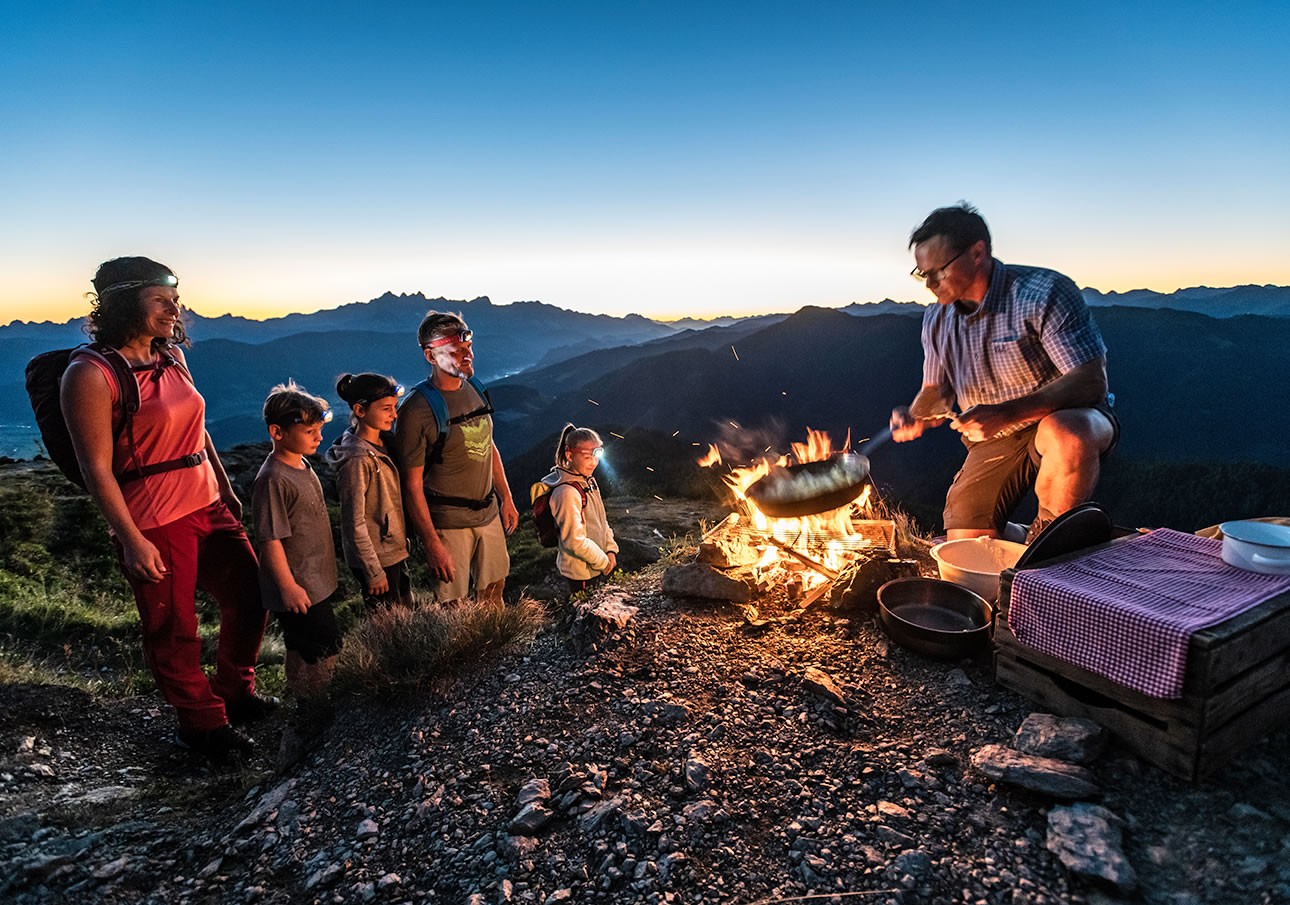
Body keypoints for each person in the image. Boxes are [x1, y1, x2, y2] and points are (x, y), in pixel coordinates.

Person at [61, 257, 271, 761]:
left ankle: (234, 692)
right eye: (162, 300)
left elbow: (198, 426)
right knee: (173, 627)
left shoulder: (171, 355)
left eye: (174, 300)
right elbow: (96, 468)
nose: (175, 309)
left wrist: (223, 483)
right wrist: (131, 539)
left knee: (251, 594)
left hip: (206, 502)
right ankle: (200, 727)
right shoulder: (90, 374)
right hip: (154, 518)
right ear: (124, 303)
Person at [889, 204, 1119, 542]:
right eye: (922, 274)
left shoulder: (1043, 292)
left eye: (937, 271)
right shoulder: (937, 319)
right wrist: (916, 415)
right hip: (995, 437)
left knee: (1067, 432)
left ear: (978, 253)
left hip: (1065, 417)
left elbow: (1091, 381)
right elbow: (935, 391)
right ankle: (1024, 541)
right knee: (969, 544)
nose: (929, 284)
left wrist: (1007, 412)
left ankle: (1049, 540)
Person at [392, 311, 519, 606]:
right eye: (457, 351)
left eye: (469, 348)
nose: (468, 356)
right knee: (454, 606)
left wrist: (506, 497)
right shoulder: (416, 412)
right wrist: (432, 543)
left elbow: (488, 444)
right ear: (431, 355)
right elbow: (411, 487)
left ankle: (498, 652)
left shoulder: (476, 389)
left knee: (494, 590)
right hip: (448, 525)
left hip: (488, 514)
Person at [251, 383, 341, 757]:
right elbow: (270, 541)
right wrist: (288, 587)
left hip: (314, 580)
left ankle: (303, 701)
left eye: (319, 429)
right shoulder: (273, 479)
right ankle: (316, 712)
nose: (318, 437)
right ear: (277, 432)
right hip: (299, 585)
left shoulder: (301, 464)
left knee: (299, 647)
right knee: (328, 648)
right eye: (309, 431)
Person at [326, 373, 412, 611]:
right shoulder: (357, 460)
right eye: (386, 409)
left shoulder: (384, 444)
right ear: (360, 410)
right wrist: (373, 571)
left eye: (394, 407)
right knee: (388, 628)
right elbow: (353, 523)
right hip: (377, 557)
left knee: (405, 616)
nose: (394, 415)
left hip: (391, 551)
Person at [537, 424, 618, 595]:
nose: (594, 463)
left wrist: (610, 549)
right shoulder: (566, 492)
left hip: (596, 565)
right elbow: (573, 540)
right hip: (580, 573)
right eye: (588, 456)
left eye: (597, 455)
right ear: (569, 455)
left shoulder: (589, 481)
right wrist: (603, 562)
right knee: (582, 614)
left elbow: (602, 520)